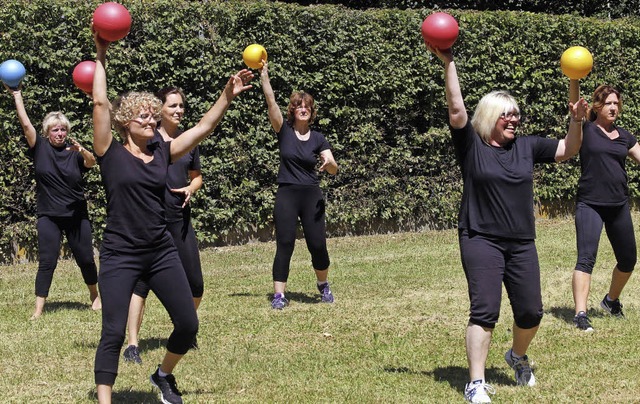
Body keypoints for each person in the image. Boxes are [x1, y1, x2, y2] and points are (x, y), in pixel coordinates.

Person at [91, 27, 254, 404]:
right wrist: (101, 54)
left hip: (161, 249)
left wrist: (226, 96)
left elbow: (203, 127)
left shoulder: (163, 152)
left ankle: (163, 375)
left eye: (153, 115)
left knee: (188, 323)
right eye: (143, 116)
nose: (151, 121)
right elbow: (100, 104)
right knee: (113, 332)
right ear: (124, 121)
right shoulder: (109, 152)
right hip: (120, 253)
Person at [426, 43, 587, 403]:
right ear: (490, 117)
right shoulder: (471, 145)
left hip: (521, 241)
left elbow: (569, 150)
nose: (514, 120)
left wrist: (576, 118)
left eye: (516, 115)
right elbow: (455, 109)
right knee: (485, 309)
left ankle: (516, 355)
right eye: (506, 115)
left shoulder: (526, 147)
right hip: (480, 237)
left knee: (531, 311)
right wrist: (449, 61)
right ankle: (476, 383)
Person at [123, 87, 205, 364]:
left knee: (196, 285)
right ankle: (132, 344)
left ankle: (183, 330)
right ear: (161, 110)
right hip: (153, 224)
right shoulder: (149, 138)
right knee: (140, 285)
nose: (179, 110)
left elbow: (197, 176)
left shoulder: (187, 141)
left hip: (180, 221)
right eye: (173, 106)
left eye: (181, 105)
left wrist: (191, 188)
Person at [5, 84, 101, 320]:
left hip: (77, 215)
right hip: (49, 215)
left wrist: (83, 150)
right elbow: (25, 124)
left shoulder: (74, 151)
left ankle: (94, 296)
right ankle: (38, 309)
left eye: (63, 130)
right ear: (47, 132)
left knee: (86, 258)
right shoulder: (40, 148)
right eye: (55, 130)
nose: (59, 133)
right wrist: (17, 95)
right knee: (47, 261)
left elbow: (91, 163)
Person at [259, 60, 339, 310]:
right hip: (287, 194)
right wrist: (264, 77)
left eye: (307, 107)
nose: (303, 109)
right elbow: (271, 103)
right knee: (285, 243)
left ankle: (323, 284)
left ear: (311, 111)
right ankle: (279, 295)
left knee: (317, 244)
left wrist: (328, 162)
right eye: (298, 106)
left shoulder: (318, 138)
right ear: (292, 110)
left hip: (311, 196)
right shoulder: (283, 130)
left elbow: (334, 167)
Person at [571, 85, 640, 332]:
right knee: (586, 258)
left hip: (618, 204)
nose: (613, 107)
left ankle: (610, 301)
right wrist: (573, 80)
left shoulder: (624, 135)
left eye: (616, 104)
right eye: (609, 103)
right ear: (597, 106)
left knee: (628, 260)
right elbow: (575, 110)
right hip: (590, 203)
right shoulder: (586, 130)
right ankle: (580, 314)